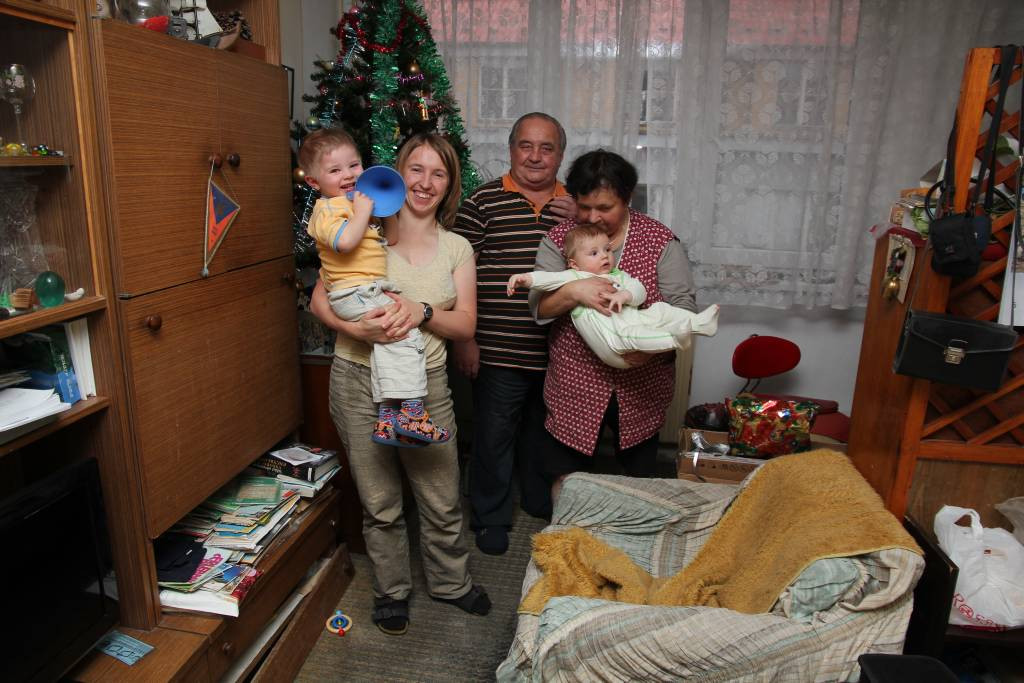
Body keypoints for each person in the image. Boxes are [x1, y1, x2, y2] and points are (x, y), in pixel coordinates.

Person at [309, 133, 490, 636]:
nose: (425, 182)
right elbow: (320, 300)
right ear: (396, 173)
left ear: (449, 184)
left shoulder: (456, 248)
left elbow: (466, 325)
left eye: (438, 173)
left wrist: (422, 311)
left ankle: (451, 582)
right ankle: (391, 591)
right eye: (416, 169)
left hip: (425, 386)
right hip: (356, 379)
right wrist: (356, 330)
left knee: (441, 495)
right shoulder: (361, 228)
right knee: (380, 501)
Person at [531, 149, 697, 489]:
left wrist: (650, 351)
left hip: (642, 383)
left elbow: (683, 308)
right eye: (584, 206)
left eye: (604, 208)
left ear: (627, 198)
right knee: (565, 477)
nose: (592, 217)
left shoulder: (659, 240)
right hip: (576, 382)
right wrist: (575, 291)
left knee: (639, 480)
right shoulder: (561, 240)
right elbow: (539, 309)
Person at [452, 112, 576, 556]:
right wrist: (465, 339)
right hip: (497, 348)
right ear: (511, 150)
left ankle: (540, 501)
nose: (535, 156)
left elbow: (607, 256)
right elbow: (457, 271)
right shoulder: (482, 201)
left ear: (560, 155)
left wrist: (581, 218)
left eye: (547, 147)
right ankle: (490, 516)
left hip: (561, 351)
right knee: (493, 435)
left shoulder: (577, 205)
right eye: (526, 145)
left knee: (545, 433)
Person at [299, 127, 448, 447]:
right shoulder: (327, 209)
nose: (348, 175)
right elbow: (345, 242)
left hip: (366, 288)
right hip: (353, 292)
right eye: (335, 170)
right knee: (405, 335)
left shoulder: (353, 205)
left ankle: (388, 420)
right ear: (313, 181)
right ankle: (411, 415)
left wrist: (381, 208)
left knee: (387, 346)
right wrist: (363, 212)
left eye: (354, 165)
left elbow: (389, 238)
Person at [508, 223, 718, 369]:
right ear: (574, 263)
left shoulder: (618, 275)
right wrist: (524, 278)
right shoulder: (573, 275)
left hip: (632, 323)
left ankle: (699, 324)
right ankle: (676, 337)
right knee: (632, 334)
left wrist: (625, 295)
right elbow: (547, 279)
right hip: (612, 341)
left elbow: (640, 290)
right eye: (594, 253)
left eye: (607, 250)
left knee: (659, 311)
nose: (605, 256)